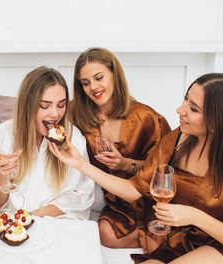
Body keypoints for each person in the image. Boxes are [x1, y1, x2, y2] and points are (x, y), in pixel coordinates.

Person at [49, 72, 223, 263]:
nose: (180, 110)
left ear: (219, 122)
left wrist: (196, 217)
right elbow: (133, 190)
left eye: (193, 108)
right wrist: (80, 163)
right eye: (185, 99)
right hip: (177, 239)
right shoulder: (179, 138)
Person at [70, 47, 171, 247]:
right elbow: (45, 113)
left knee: (160, 236)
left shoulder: (146, 118)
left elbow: (164, 171)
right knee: (105, 234)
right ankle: (155, 237)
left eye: (99, 78)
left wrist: (126, 164)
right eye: (85, 83)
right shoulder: (76, 114)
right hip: (117, 202)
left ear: (115, 75)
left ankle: (165, 236)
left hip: (151, 196)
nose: (93, 87)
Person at [0, 66, 95, 219]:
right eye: (44, 106)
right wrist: (3, 175)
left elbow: (81, 195)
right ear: (27, 105)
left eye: (61, 105)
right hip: (13, 225)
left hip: (57, 222)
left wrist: (33, 217)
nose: (55, 114)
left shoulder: (73, 138)